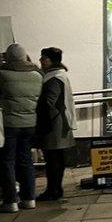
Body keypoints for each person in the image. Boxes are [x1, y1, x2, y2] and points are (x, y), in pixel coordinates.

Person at [0, 43, 43, 212]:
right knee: (26, 160)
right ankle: (29, 198)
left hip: (9, 124)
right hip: (30, 123)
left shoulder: (2, 73)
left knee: (7, 161)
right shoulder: (37, 74)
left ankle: (10, 201)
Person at [35, 47, 76, 201]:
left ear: (51, 61)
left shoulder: (53, 78)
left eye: (43, 58)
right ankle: (55, 189)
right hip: (59, 123)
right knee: (56, 159)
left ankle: (53, 190)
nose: (40, 60)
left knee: (53, 160)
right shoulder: (58, 75)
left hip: (54, 125)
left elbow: (48, 102)